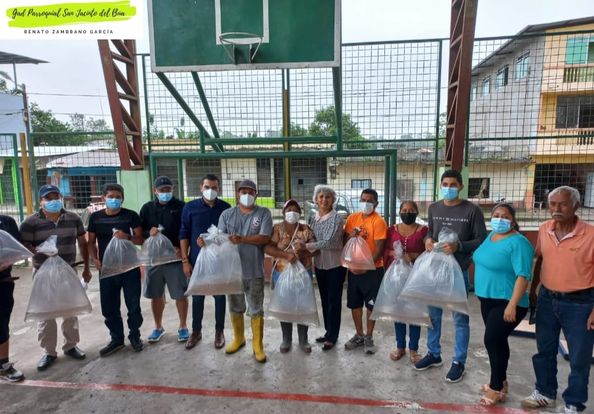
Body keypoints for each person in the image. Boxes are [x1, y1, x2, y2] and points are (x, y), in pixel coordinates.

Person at [521, 186, 594, 413]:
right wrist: (533, 291)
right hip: (547, 299)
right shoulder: (545, 229)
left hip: (581, 303)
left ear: (576, 206)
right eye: (553, 204)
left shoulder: (591, 235)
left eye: (563, 204)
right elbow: (541, 260)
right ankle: (545, 392)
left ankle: (574, 402)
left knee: (579, 357)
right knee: (544, 350)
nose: (557, 209)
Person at [415, 169, 487, 383]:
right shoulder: (434, 207)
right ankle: (434, 354)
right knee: (433, 316)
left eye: (453, 185)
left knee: (460, 318)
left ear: (461, 186)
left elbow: (481, 239)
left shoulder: (472, 210)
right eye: (445, 184)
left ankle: (458, 361)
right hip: (435, 270)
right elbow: (431, 232)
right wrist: (428, 240)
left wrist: (459, 246)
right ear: (440, 185)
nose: (449, 188)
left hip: (458, 271)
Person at [20, 185, 91, 371]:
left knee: (70, 310)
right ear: (41, 201)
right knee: (46, 314)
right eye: (48, 198)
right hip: (42, 273)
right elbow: (23, 245)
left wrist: (86, 268)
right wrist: (39, 249)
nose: (53, 201)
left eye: (56, 197)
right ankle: (49, 352)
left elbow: (82, 243)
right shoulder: (30, 222)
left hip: (68, 271)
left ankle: (71, 346)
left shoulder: (73, 218)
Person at [473, 203, 534, 406]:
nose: (499, 219)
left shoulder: (519, 243)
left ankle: (496, 387)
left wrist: (512, 304)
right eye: (496, 215)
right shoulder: (492, 236)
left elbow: (523, 275)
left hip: (507, 302)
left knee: (491, 340)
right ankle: (502, 381)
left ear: (513, 220)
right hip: (487, 299)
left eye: (505, 216)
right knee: (498, 342)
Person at [218, 179, 272, 363]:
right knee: (235, 306)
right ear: (237, 194)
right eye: (243, 192)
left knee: (256, 308)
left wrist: (243, 239)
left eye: (251, 192)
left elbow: (264, 237)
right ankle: (239, 338)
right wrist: (205, 241)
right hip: (232, 271)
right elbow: (219, 238)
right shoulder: (227, 214)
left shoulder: (263, 213)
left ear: (256, 194)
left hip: (254, 270)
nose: (247, 195)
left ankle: (258, 345)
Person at [87, 183, 144, 356]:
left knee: (133, 305)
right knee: (109, 306)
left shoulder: (131, 216)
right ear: (103, 198)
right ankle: (116, 339)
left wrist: (127, 236)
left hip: (129, 267)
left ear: (122, 199)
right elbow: (91, 242)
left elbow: (140, 239)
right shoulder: (95, 217)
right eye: (110, 197)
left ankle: (135, 336)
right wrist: (95, 259)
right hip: (107, 268)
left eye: (118, 197)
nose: (114, 200)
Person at [179, 174, 231, 350]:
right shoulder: (190, 207)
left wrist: (216, 241)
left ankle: (219, 332)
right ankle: (196, 331)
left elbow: (229, 236)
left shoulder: (225, 208)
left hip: (219, 261)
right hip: (196, 261)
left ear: (219, 189)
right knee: (198, 297)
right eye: (207, 187)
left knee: (220, 297)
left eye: (214, 187)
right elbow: (183, 234)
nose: (211, 190)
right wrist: (185, 261)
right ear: (201, 188)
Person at [139, 176, 189, 343]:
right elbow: (139, 233)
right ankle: (158, 327)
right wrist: (148, 233)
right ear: (155, 191)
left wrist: (182, 250)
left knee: (180, 294)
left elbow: (186, 230)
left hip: (175, 258)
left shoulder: (181, 207)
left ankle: (183, 326)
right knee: (156, 294)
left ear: (172, 189)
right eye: (162, 190)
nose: (165, 192)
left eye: (168, 189)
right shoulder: (147, 208)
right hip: (154, 259)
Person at [265, 199, 317, 353]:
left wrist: (304, 252)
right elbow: (268, 248)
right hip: (281, 273)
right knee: (284, 305)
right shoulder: (277, 229)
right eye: (289, 210)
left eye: (295, 210)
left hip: (303, 273)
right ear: (283, 213)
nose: (292, 213)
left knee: (303, 305)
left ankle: (303, 339)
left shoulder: (306, 229)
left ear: (300, 213)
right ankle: (286, 339)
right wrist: (286, 255)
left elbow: (317, 249)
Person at [343, 188, 387, 355]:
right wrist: (352, 265)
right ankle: (359, 335)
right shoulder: (352, 218)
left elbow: (379, 249)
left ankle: (369, 336)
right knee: (355, 303)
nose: (366, 203)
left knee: (371, 304)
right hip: (354, 269)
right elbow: (345, 243)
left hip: (373, 270)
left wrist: (365, 266)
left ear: (376, 203)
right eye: (363, 200)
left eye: (370, 201)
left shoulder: (379, 222)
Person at [383, 200, 428, 364]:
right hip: (397, 277)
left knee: (415, 312)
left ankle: (414, 349)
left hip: (417, 276)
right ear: (399, 212)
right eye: (404, 210)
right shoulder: (391, 230)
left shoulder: (424, 230)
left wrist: (414, 256)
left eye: (411, 210)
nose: (407, 213)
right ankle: (400, 346)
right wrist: (393, 254)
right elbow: (385, 250)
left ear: (416, 212)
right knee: (399, 312)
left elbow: (429, 252)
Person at [306, 185, 345, 351]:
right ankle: (328, 332)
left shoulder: (337, 219)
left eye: (328, 197)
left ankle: (332, 336)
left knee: (334, 301)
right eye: (321, 196)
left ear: (333, 200)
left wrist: (306, 246)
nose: (324, 200)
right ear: (315, 199)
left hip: (335, 265)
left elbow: (330, 242)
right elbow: (309, 236)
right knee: (324, 299)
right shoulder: (312, 218)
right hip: (319, 265)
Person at [0, 215, 25, 382]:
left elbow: (17, 249)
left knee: (2, 324)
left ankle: (3, 365)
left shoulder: (7, 222)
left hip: (3, 282)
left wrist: (6, 262)